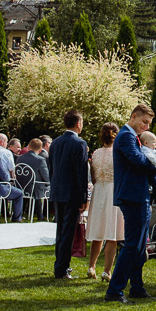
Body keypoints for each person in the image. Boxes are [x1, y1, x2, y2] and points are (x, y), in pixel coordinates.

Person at [106, 104, 156, 304]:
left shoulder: (132, 136)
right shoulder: (126, 136)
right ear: (134, 116)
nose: (146, 127)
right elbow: (138, 160)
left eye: (148, 124)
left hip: (138, 196)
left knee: (139, 246)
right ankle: (115, 290)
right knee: (132, 245)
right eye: (144, 122)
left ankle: (136, 286)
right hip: (132, 196)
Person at [48, 111, 89, 279]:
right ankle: (62, 268)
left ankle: (60, 264)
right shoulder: (79, 144)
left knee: (60, 231)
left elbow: (51, 168)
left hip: (57, 191)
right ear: (78, 124)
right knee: (68, 232)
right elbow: (81, 173)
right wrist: (83, 197)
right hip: (72, 193)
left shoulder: (55, 143)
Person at [87, 123, 125, 281]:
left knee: (98, 232)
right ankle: (107, 271)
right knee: (112, 234)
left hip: (99, 192)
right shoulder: (118, 153)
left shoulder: (95, 153)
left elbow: (94, 177)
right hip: (112, 191)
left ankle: (91, 267)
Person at [18, 138, 51, 219]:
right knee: (46, 187)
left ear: (28, 147)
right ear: (40, 150)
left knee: (36, 185)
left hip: (21, 186)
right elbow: (46, 176)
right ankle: (41, 215)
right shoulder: (40, 160)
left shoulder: (20, 158)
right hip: (36, 188)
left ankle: (22, 212)